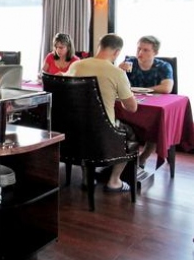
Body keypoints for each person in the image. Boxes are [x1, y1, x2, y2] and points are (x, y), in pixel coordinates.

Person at [65, 33, 138, 192]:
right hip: (102, 131)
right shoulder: (117, 72)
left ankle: (87, 177)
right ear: (117, 52)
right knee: (130, 133)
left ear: (99, 47)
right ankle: (114, 181)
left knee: (86, 126)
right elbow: (131, 108)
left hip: (73, 128)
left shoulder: (76, 66)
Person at [119, 35, 174, 168]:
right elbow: (118, 84)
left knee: (155, 124)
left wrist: (145, 90)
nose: (140, 52)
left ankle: (142, 158)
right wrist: (119, 71)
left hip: (152, 107)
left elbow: (167, 88)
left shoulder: (163, 66)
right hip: (132, 105)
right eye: (139, 49)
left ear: (155, 52)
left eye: (145, 50)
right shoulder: (130, 62)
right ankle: (120, 159)